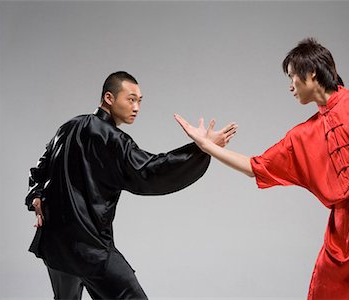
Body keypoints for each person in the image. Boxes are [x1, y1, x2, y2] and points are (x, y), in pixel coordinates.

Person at [174, 38, 349, 299]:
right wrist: (207, 147)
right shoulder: (302, 137)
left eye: (292, 75)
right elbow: (254, 167)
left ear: (312, 73)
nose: (290, 86)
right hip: (346, 239)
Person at [25, 71, 237, 299]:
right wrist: (203, 148)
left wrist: (36, 196)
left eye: (139, 101)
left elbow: (40, 167)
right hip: (90, 248)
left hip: (56, 244)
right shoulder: (113, 138)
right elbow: (150, 171)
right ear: (109, 98)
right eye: (131, 99)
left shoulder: (68, 126)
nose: (136, 107)